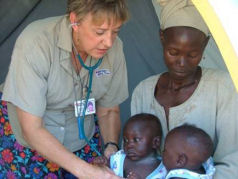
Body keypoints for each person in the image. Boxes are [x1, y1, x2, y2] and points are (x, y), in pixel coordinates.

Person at [1, 0, 129, 178]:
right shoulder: (36, 42)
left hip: (82, 136)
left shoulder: (115, 49)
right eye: (100, 32)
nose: (108, 42)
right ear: (75, 21)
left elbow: (108, 111)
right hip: (31, 142)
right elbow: (32, 129)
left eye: (115, 31)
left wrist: (110, 147)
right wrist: (85, 171)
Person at [131, 0, 238, 178]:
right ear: (162, 38)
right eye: (173, 52)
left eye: (192, 54)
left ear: (205, 44)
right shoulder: (143, 91)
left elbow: (233, 160)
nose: (181, 63)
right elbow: (133, 153)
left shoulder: (224, 87)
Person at [93, 113, 167, 179]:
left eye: (136, 140)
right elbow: (105, 171)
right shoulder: (119, 158)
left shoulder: (163, 170)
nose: (129, 145)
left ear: (155, 142)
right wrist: (102, 165)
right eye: (126, 140)